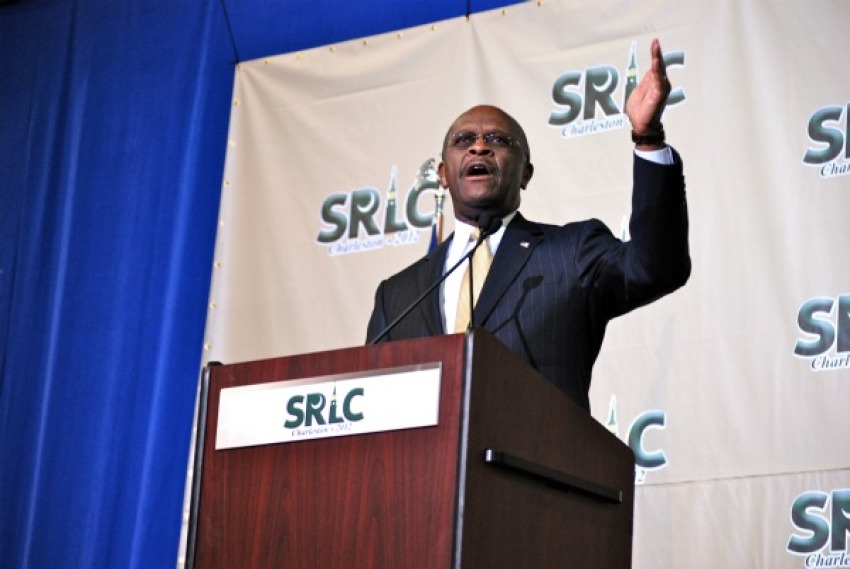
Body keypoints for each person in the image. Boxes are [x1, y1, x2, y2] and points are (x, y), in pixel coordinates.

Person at [366, 39, 690, 412]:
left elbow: (656, 267)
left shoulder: (571, 253)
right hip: (426, 469)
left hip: (533, 465)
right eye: (464, 140)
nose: (479, 148)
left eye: (498, 141)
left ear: (525, 173)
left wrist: (648, 138)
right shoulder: (397, 296)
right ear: (442, 174)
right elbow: (373, 406)